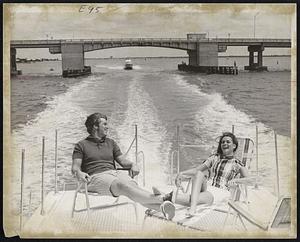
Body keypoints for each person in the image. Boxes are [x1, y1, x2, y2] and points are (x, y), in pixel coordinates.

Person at [71, 112, 175, 220]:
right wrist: (79, 173)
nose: (107, 127)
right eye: (104, 124)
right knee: (122, 186)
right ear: (95, 126)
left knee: (133, 188)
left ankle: (162, 208)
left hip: (115, 173)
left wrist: (133, 164)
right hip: (95, 177)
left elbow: (122, 161)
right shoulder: (81, 145)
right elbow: (75, 168)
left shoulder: (111, 143)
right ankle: (162, 198)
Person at [157, 132, 249, 216]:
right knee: (199, 174)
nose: (224, 144)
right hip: (207, 187)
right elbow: (197, 170)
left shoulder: (237, 164)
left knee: (198, 196)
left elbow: (249, 180)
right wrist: (181, 173)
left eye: (228, 142)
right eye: (222, 142)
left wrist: (237, 180)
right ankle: (185, 204)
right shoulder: (214, 158)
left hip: (221, 192)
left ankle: (164, 197)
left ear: (234, 146)